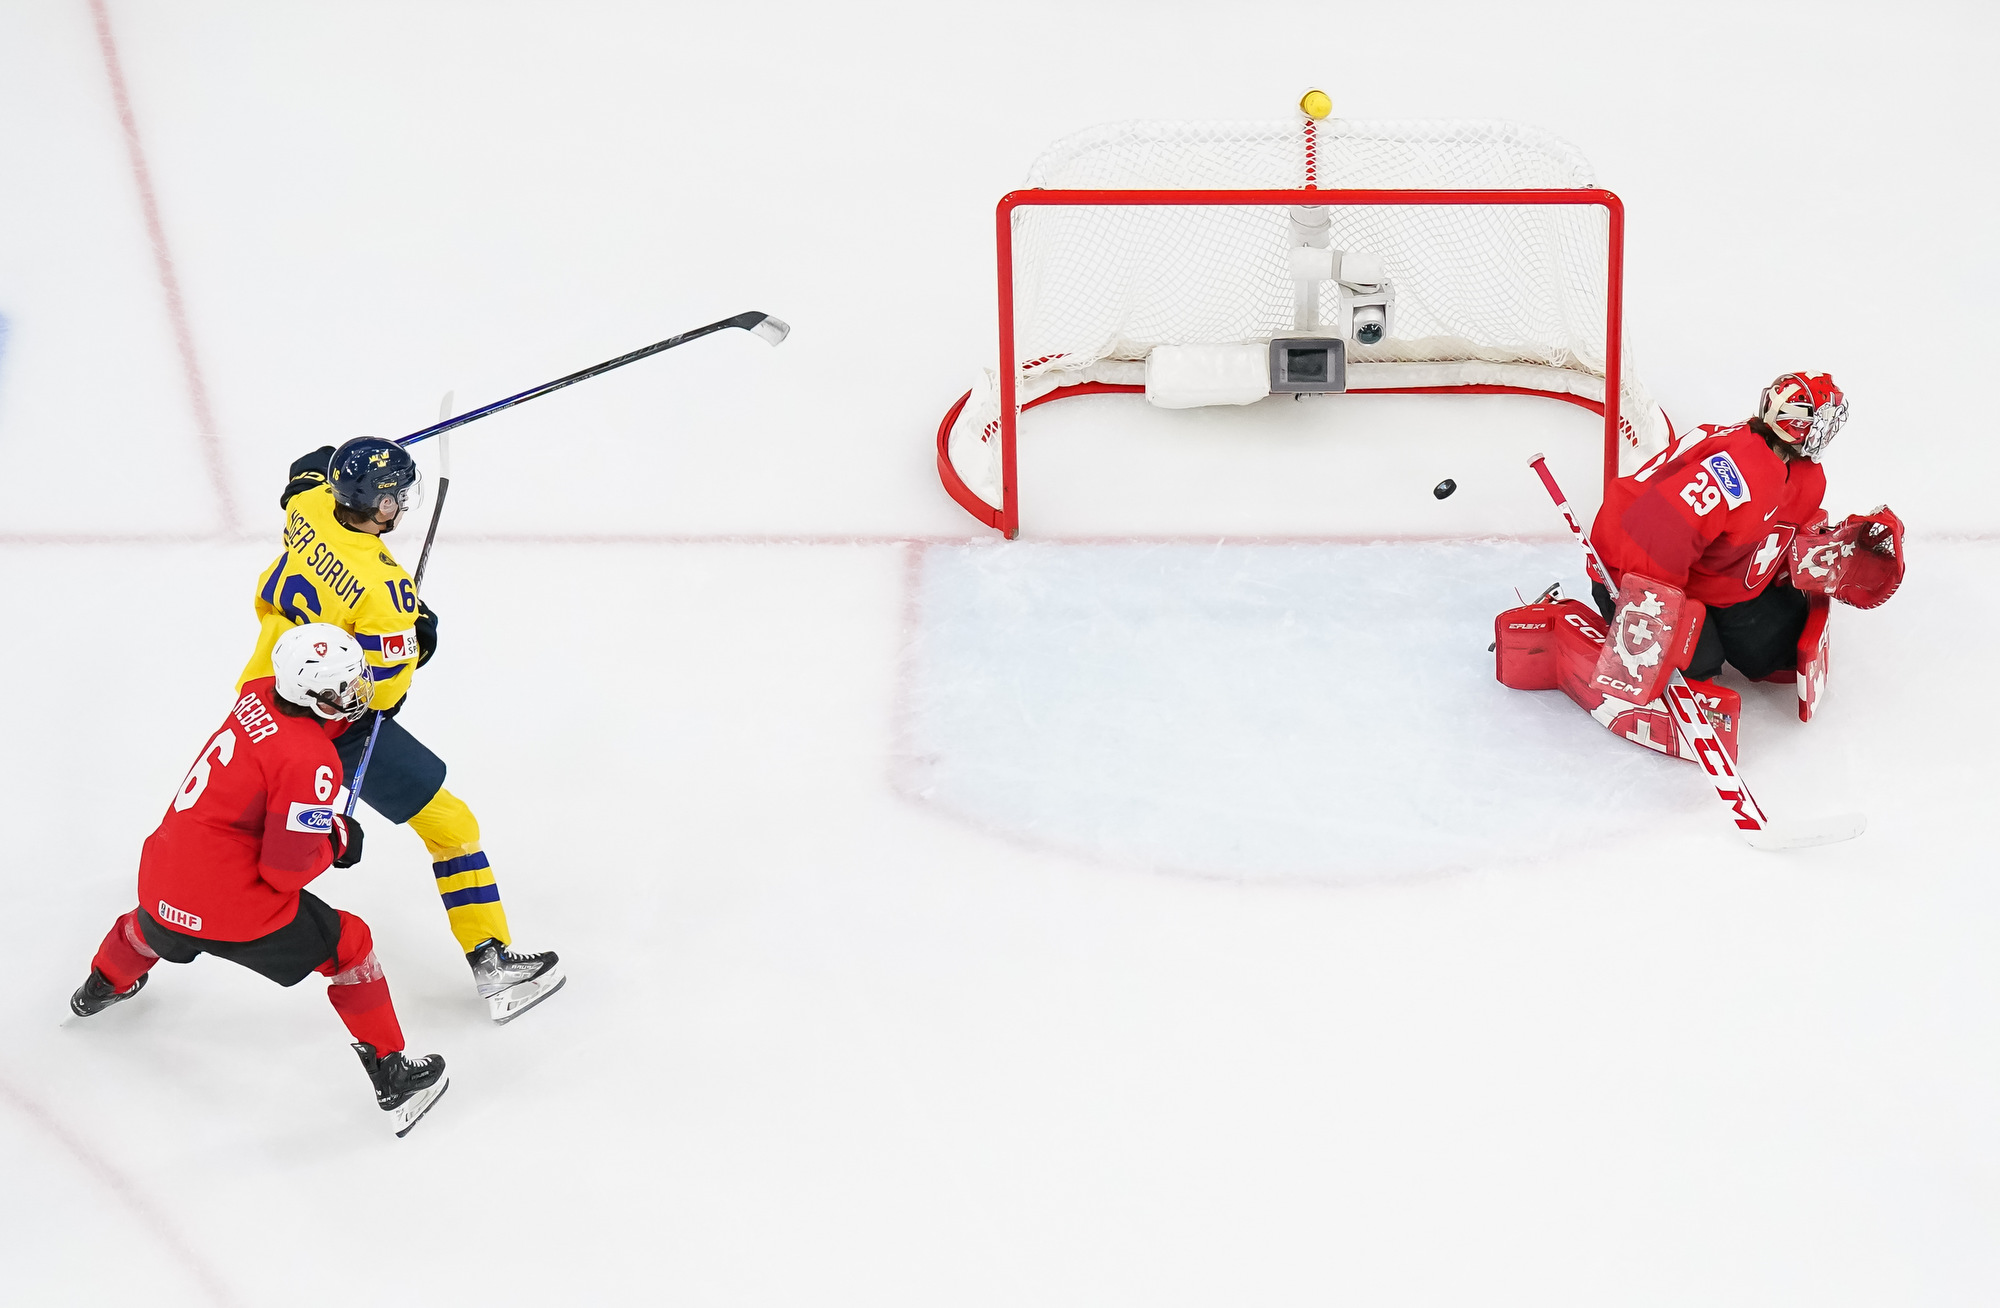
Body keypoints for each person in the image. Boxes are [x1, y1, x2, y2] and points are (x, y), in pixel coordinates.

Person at [70, 625, 448, 1137]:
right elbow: (284, 870)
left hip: (159, 879)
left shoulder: (258, 693)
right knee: (350, 944)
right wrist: (336, 839)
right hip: (232, 907)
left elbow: (304, 730)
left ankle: (101, 985)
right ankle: (393, 1074)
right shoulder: (309, 762)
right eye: (345, 688)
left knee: (154, 921)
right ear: (312, 694)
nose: (357, 692)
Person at [236, 437, 563, 1024]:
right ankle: (491, 961)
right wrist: (418, 638)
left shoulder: (307, 508)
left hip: (260, 696)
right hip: (330, 727)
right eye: (395, 498)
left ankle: (152, 932)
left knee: (222, 827)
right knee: (452, 826)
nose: (402, 506)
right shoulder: (386, 591)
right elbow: (382, 695)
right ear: (382, 505)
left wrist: (346, 459)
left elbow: (302, 471)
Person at [1589, 371, 1902, 683]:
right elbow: (1655, 533)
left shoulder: (1801, 472)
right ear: (1799, 427)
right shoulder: (1736, 471)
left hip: (1707, 571)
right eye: (1823, 421)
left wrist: (1819, 548)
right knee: (1699, 661)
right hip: (1629, 571)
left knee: (1778, 649)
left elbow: (1771, 528)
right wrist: (1656, 609)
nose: (1828, 430)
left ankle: (1719, 625)